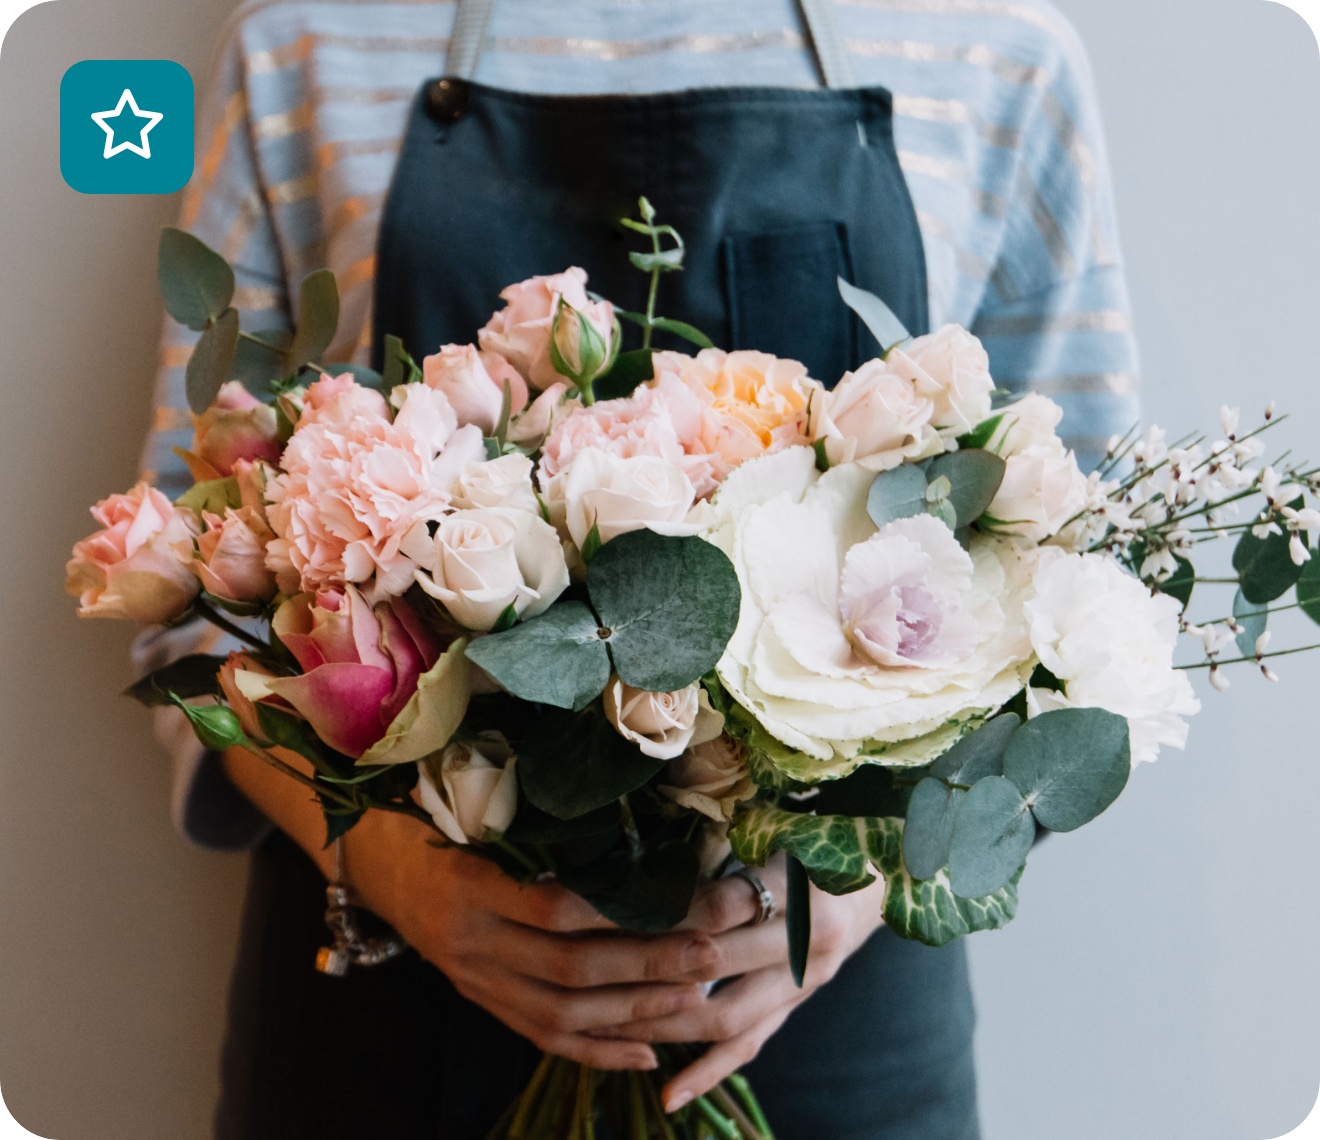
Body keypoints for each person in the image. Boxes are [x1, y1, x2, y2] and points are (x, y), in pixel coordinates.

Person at [134, 1, 1141, 1136]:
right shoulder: (309, 39)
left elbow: (1095, 585)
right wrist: (390, 868)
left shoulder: (994, 48)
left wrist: (848, 892)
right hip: (400, 1028)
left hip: (835, 1037)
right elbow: (188, 601)